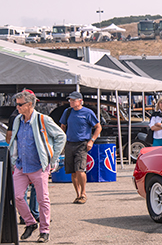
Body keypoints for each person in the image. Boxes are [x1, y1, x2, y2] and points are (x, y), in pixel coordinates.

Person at [10, 90, 66, 242]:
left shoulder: (43, 119)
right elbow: (15, 140)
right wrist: (14, 161)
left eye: (20, 105)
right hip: (21, 166)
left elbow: (61, 136)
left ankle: (44, 230)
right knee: (16, 196)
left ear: (29, 104)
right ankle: (30, 223)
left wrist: (52, 158)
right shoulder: (17, 120)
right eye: (17, 104)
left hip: (39, 166)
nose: (17, 108)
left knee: (43, 200)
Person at [60, 91, 102, 205]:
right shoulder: (67, 112)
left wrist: (92, 140)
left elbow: (98, 127)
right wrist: (60, 139)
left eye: (73, 100)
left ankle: (83, 193)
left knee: (80, 169)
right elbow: (62, 126)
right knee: (72, 171)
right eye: (70, 100)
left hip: (82, 144)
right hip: (69, 143)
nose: (71, 102)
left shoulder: (87, 113)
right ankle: (77, 194)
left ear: (80, 101)